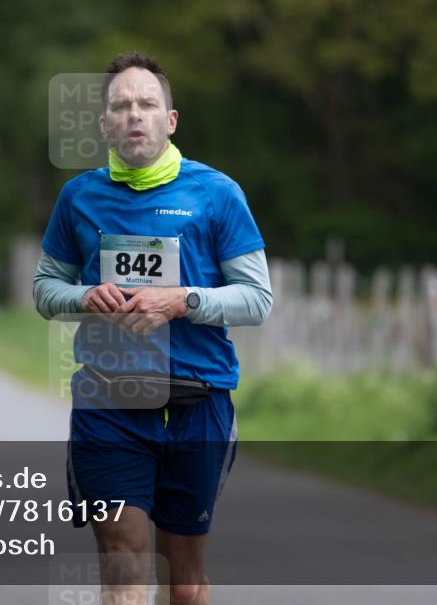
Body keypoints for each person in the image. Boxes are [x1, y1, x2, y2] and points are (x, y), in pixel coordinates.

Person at [33, 51, 273, 605]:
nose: (134, 115)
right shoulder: (79, 197)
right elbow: (45, 289)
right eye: (121, 106)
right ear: (104, 125)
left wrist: (182, 301)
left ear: (171, 120)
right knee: (124, 560)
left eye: (147, 104)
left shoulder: (217, 193)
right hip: (108, 402)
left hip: (197, 402)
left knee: (184, 582)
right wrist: (83, 296)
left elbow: (258, 299)